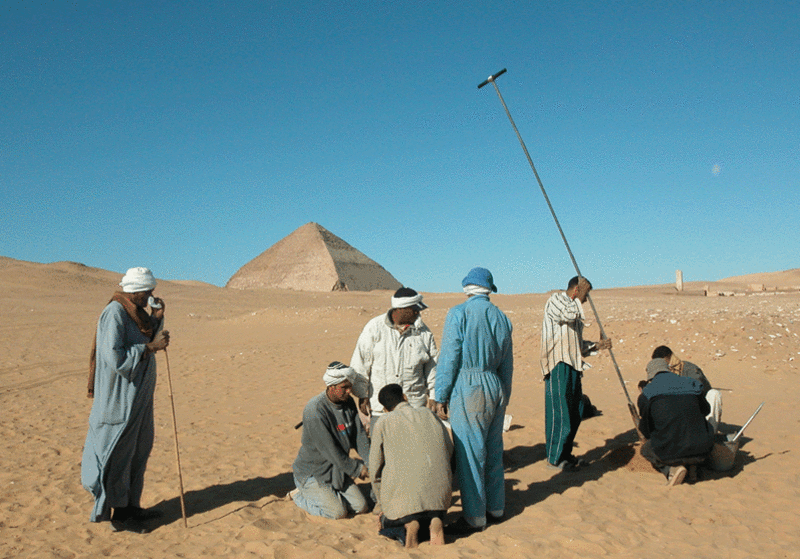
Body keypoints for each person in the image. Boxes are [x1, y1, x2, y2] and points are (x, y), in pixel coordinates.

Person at [81, 267, 170, 533]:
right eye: (147, 292)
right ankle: (120, 515)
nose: (150, 295)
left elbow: (144, 336)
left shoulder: (136, 313)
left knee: (138, 451)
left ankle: (132, 506)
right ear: (135, 291)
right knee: (118, 455)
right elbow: (114, 357)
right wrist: (149, 348)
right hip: (120, 399)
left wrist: (157, 319)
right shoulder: (115, 313)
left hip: (139, 398)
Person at [435, 267, 513, 534]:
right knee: (493, 451)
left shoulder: (459, 313)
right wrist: (505, 396)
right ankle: (497, 508)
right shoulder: (502, 318)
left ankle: (475, 516)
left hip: (468, 385)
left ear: (467, 287)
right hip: (495, 385)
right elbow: (508, 364)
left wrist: (440, 395)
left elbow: (449, 357)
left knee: (470, 453)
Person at [540, 276, 612, 472]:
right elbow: (567, 315)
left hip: (573, 365)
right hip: (557, 364)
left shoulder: (576, 311)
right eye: (585, 295)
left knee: (576, 410)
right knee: (560, 412)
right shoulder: (556, 301)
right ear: (576, 291)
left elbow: (576, 345)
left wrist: (597, 346)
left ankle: (566, 454)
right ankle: (554, 459)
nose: (586, 300)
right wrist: (578, 298)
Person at [369, 384, 453, 548]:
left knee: (386, 523)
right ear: (405, 397)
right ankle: (435, 520)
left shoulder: (383, 421)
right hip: (440, 505)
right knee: (430, 512)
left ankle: (408, 525)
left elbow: (375, 468)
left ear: (385, 409)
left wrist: (382, 502)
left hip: (404, 508)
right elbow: (449, 449)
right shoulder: (429, 413)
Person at [290, 362, 372, 519]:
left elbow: (359, 436)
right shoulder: (314, 410)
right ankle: (299, 496)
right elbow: (330, 450)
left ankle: (328, 495)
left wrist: (370, 461)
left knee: (361, 507)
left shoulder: (348, 403)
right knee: (337, 513)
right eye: (344, 387)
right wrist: (357, 469)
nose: (349, 391)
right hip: (313, 473)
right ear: (332, 387)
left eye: (350, 386)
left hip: (337, 471)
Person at [351, 287, 438, 433]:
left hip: (414, 407)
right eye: (413, 309)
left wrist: (434, 396)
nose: (418, 313)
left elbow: (433, 368)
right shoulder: (374, 328)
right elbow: (360, 363)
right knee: (382, 451)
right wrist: (362, 394)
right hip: (381, 408)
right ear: (400, 309)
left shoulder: (424, 333)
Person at [637, 358, 716, 486]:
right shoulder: (691, 383)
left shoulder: (647, 394)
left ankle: (671, 470)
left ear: (650, 375)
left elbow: (646, 430)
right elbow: (706, 410)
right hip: (703, 449)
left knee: (646, 449)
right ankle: (693, 467)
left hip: (670, 453)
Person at [651, 345, 722, 433]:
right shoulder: (659, 374)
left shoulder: (690, 369)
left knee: (714, 394)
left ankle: (710, 433)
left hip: (697, 408)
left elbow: (701, 389)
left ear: (668, 358)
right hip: (674, 415)